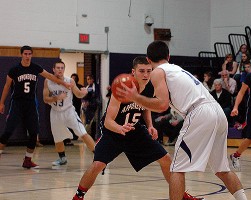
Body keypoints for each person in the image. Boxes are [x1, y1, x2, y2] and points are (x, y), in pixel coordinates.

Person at [119, 41, 247, 200]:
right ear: (168, 56)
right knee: (222, 169)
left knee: (176, 169)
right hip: (217, 111)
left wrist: (135, 98)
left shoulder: (158, 72)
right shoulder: (176, 69)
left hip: (199, 113)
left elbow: (161, 105)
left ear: (148, 59)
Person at [72, 56, 202, 200]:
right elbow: (108, 121)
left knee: (166, 159)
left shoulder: (152, 86)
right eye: (142, 71)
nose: (146, 75)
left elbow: (146, 106)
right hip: (113, 132)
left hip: (135, 131)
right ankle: (78, 196)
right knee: (97, 164)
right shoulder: (123, 88)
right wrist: (120, 128)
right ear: (133, 72)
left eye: (149, 71)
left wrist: (150, 125)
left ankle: (181, 195)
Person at [0, 45, 71, 169]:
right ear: (21, 54)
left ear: (31, 55)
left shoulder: (35, 68)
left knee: (34, 133)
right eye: (25, 54)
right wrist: (1, 102)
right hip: (17, 104)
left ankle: (27, 160)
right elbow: (6, 86)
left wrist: (63, 82)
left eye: (29, 54)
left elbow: (50, 76)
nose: (27, 56)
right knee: (7, 132)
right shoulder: (14, 70)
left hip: (31, 104)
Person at [43, 61, 95, 166]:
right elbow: (45, 99)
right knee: (57, 137)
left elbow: (78, 94)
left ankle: (99, 156)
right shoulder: (48, 81)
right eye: (58, 68)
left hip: (68, 111)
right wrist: (56, 98)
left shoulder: (69, 81)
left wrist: (84, 92)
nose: (60, 70)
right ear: (53, 69)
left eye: (62, 68)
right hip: (55, 112)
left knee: (82, 133)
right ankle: (62, 159)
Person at [81, 74, 101, 139]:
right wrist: (84, 102)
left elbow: (97, 96)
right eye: (88, 79)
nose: (89, 81)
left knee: (94, 121)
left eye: (90, 79)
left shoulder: (96, 87)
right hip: (87, 108)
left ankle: (90, 135)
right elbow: (82, 97)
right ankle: (85, 134)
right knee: (87, 121)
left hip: (94, 106)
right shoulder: (86, 88)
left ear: (93, 79)